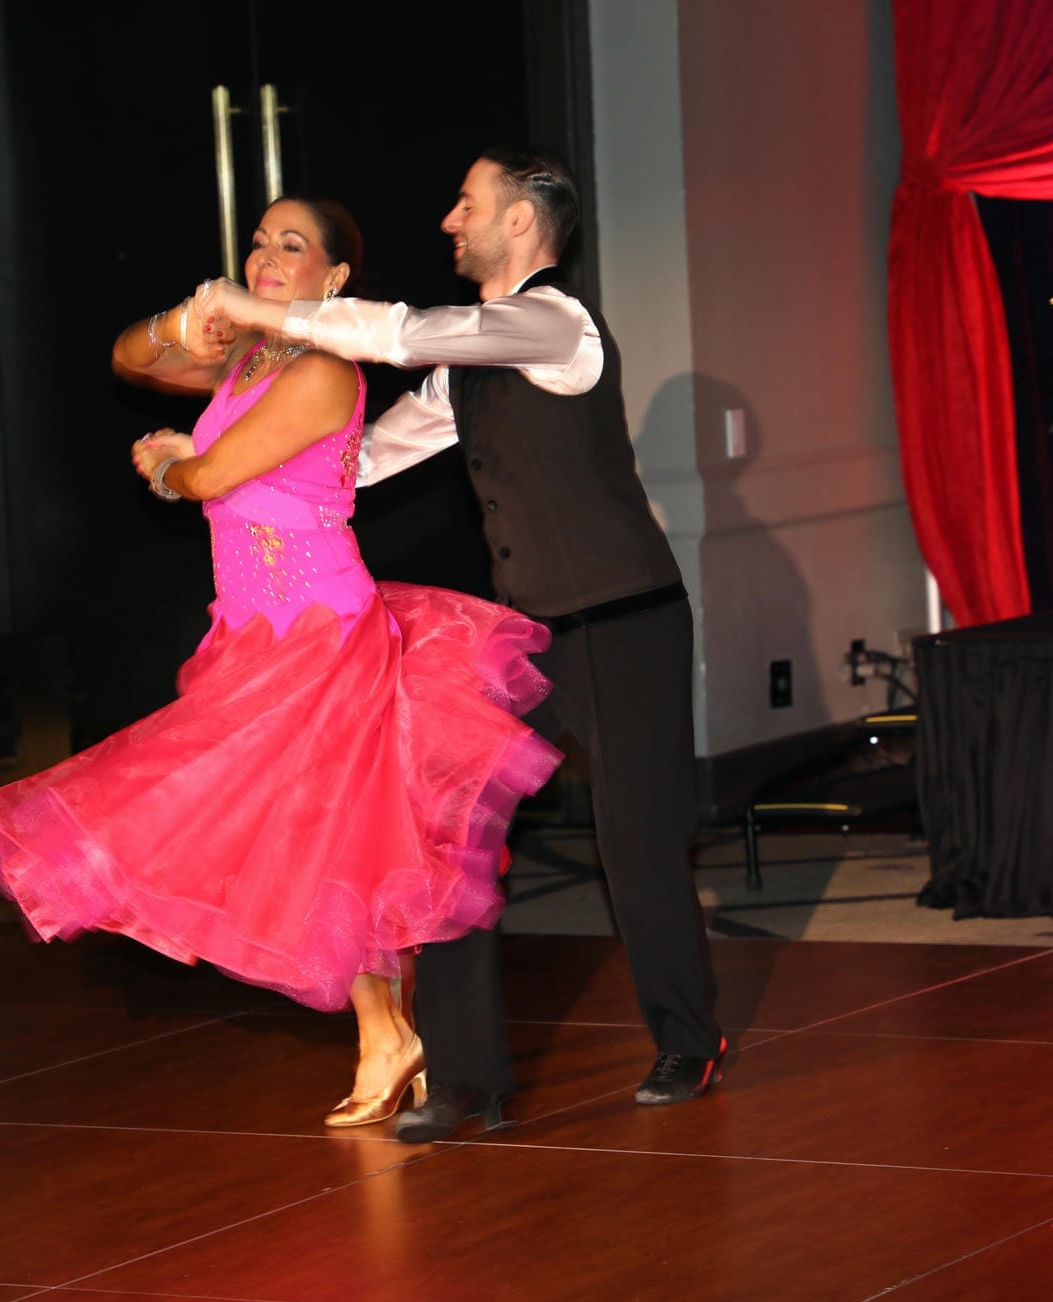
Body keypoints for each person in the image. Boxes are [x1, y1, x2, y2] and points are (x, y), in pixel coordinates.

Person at [0, 197, 561, 1129]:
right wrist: (185, 323)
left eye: (293, 247)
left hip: (320, 629)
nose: (268, 257)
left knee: (325, 830)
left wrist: (166, 462)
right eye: (261, 243)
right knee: (321, 836)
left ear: (334, 280)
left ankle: (393, 1036)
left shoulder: (318, 371)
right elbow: (128, 358)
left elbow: (212, 478)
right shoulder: (255, 357)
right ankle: (390, 1035)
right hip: (256, 627)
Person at [195, 147, 725, 1144]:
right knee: (436, 836)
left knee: (636, 842)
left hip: (620, 621)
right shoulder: (469, 366)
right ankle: (466, 1079)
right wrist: (237, 471)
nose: (449, 219)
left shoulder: (551, 323)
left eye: (467, 204)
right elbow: (365, 454)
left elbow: (402, 333)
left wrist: (262, 310)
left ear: (520, 223)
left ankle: (687, 1038)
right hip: (524, 631)